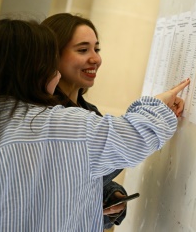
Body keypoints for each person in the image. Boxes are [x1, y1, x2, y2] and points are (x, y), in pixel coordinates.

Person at [0, 19, 189, 231]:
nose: (56, 73)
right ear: (35, 70)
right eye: (52, 63)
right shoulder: (65, 125)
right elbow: (137, 135)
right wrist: (158, 106)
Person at [42, 13, 130, 229]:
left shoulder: (90, 112)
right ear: (53, 55)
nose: (96, 59)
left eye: (96, 49)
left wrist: (111, 196)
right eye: (83, 50)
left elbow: (87, 180)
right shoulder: (42, 117)